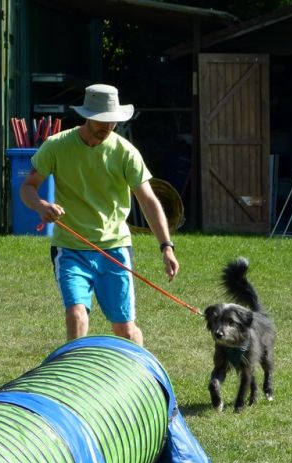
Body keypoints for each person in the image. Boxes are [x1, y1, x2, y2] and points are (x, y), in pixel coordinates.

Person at [20, 83, 179, 346]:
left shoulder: (125, 152)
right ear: (87, 116)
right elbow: (28, 187)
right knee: (76, 315)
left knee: (125, 330)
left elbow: (148, 200)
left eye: (112, 121)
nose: (107, 126)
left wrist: (166, 246)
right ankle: (74, 367)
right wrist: (41, 205)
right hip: (70, 248)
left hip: (115, 248)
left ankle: (137, 367)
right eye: (101, 121)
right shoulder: (57, 145)